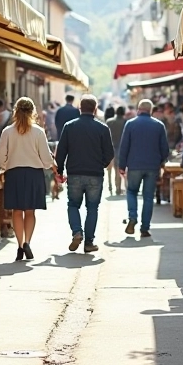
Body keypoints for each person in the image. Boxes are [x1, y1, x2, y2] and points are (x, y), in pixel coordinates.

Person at [0, 97, 59, 261]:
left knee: (17, 211)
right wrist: (50, 166)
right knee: (30, 211)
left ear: (15, 111)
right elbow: (46, 156)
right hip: (33, 174)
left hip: (14, 174)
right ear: (33, 112)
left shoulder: (7, 131)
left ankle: (19, 244)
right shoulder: (38, 131)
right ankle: (27, 242)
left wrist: (4, 165)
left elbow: (1, 156)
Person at [55, 94, 114, 252]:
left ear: (80, 109)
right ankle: (89, 243)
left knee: (73, 205)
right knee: (92, 208)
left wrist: (60, 170)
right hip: (95, 174)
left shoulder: (69, 126)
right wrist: (101, 165)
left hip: (75, 173)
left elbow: (61, 152)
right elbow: (109, 153)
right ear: (95, 110)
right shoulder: (102, 128)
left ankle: (76, 232)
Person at [118, 99, 169, 237]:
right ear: (151, 110)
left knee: (131, 192)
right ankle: (145, 228)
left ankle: (132, 217)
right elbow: (165, 148)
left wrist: (122, 165)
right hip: (152, 166)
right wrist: (162, 162)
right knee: (148, 197)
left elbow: (124, 147)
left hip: (134, 165)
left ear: (138, 109)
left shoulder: (130, 124)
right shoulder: (159, 125)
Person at [105, 106, 127, 195]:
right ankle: (118, 187)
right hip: (121, 147)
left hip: (110, 146)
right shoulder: (126, 122)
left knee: (109, 169)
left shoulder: (109, 121)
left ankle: (110, 185)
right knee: (118, 168)